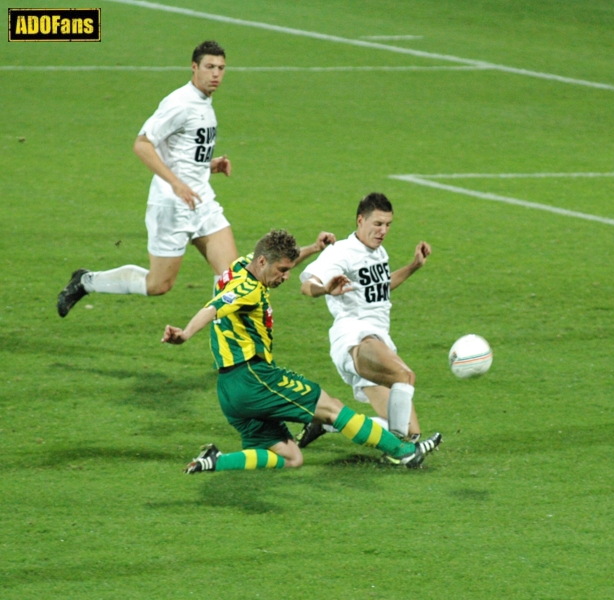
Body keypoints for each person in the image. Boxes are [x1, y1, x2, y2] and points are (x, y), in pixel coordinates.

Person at [161, 229, 442, 473]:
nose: (285, 277)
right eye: (282, 270)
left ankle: (215, 461)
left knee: (291, 457)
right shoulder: (245, 289)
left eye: (288, 269)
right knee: (331, 408)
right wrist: (185, 334)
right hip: (253, 378)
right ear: (262, 262)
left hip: (228, 391)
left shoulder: (242, 264)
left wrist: (313, 249)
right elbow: (212, 308)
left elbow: (278, 260)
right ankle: (404, 451)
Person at [58, 40, 238, 317]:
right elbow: (142, 144)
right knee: (158, 284)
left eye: (221, 68)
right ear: (194, 67)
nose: (216, 74)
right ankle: (86, 281)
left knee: (232, 277)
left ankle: (229, 346)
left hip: (202, 200)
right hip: (171, 205)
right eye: (209, 67)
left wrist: (209, 164)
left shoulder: (204, 102)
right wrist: (177, 183)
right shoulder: (179, 103)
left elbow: (183, 151)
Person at [297, 192, 431, 448]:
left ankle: (328, 421)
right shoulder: (342, 252)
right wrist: (326, 288)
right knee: (405, 376)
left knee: (403, 428)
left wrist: (413, 266)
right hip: (355, 338)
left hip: (379, 343)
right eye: (377, 224)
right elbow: (307, 284)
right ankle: (403, 452)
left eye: (388, 225)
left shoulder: (379, 253)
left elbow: (381, 287)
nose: (383, 231)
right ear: (361, 220)